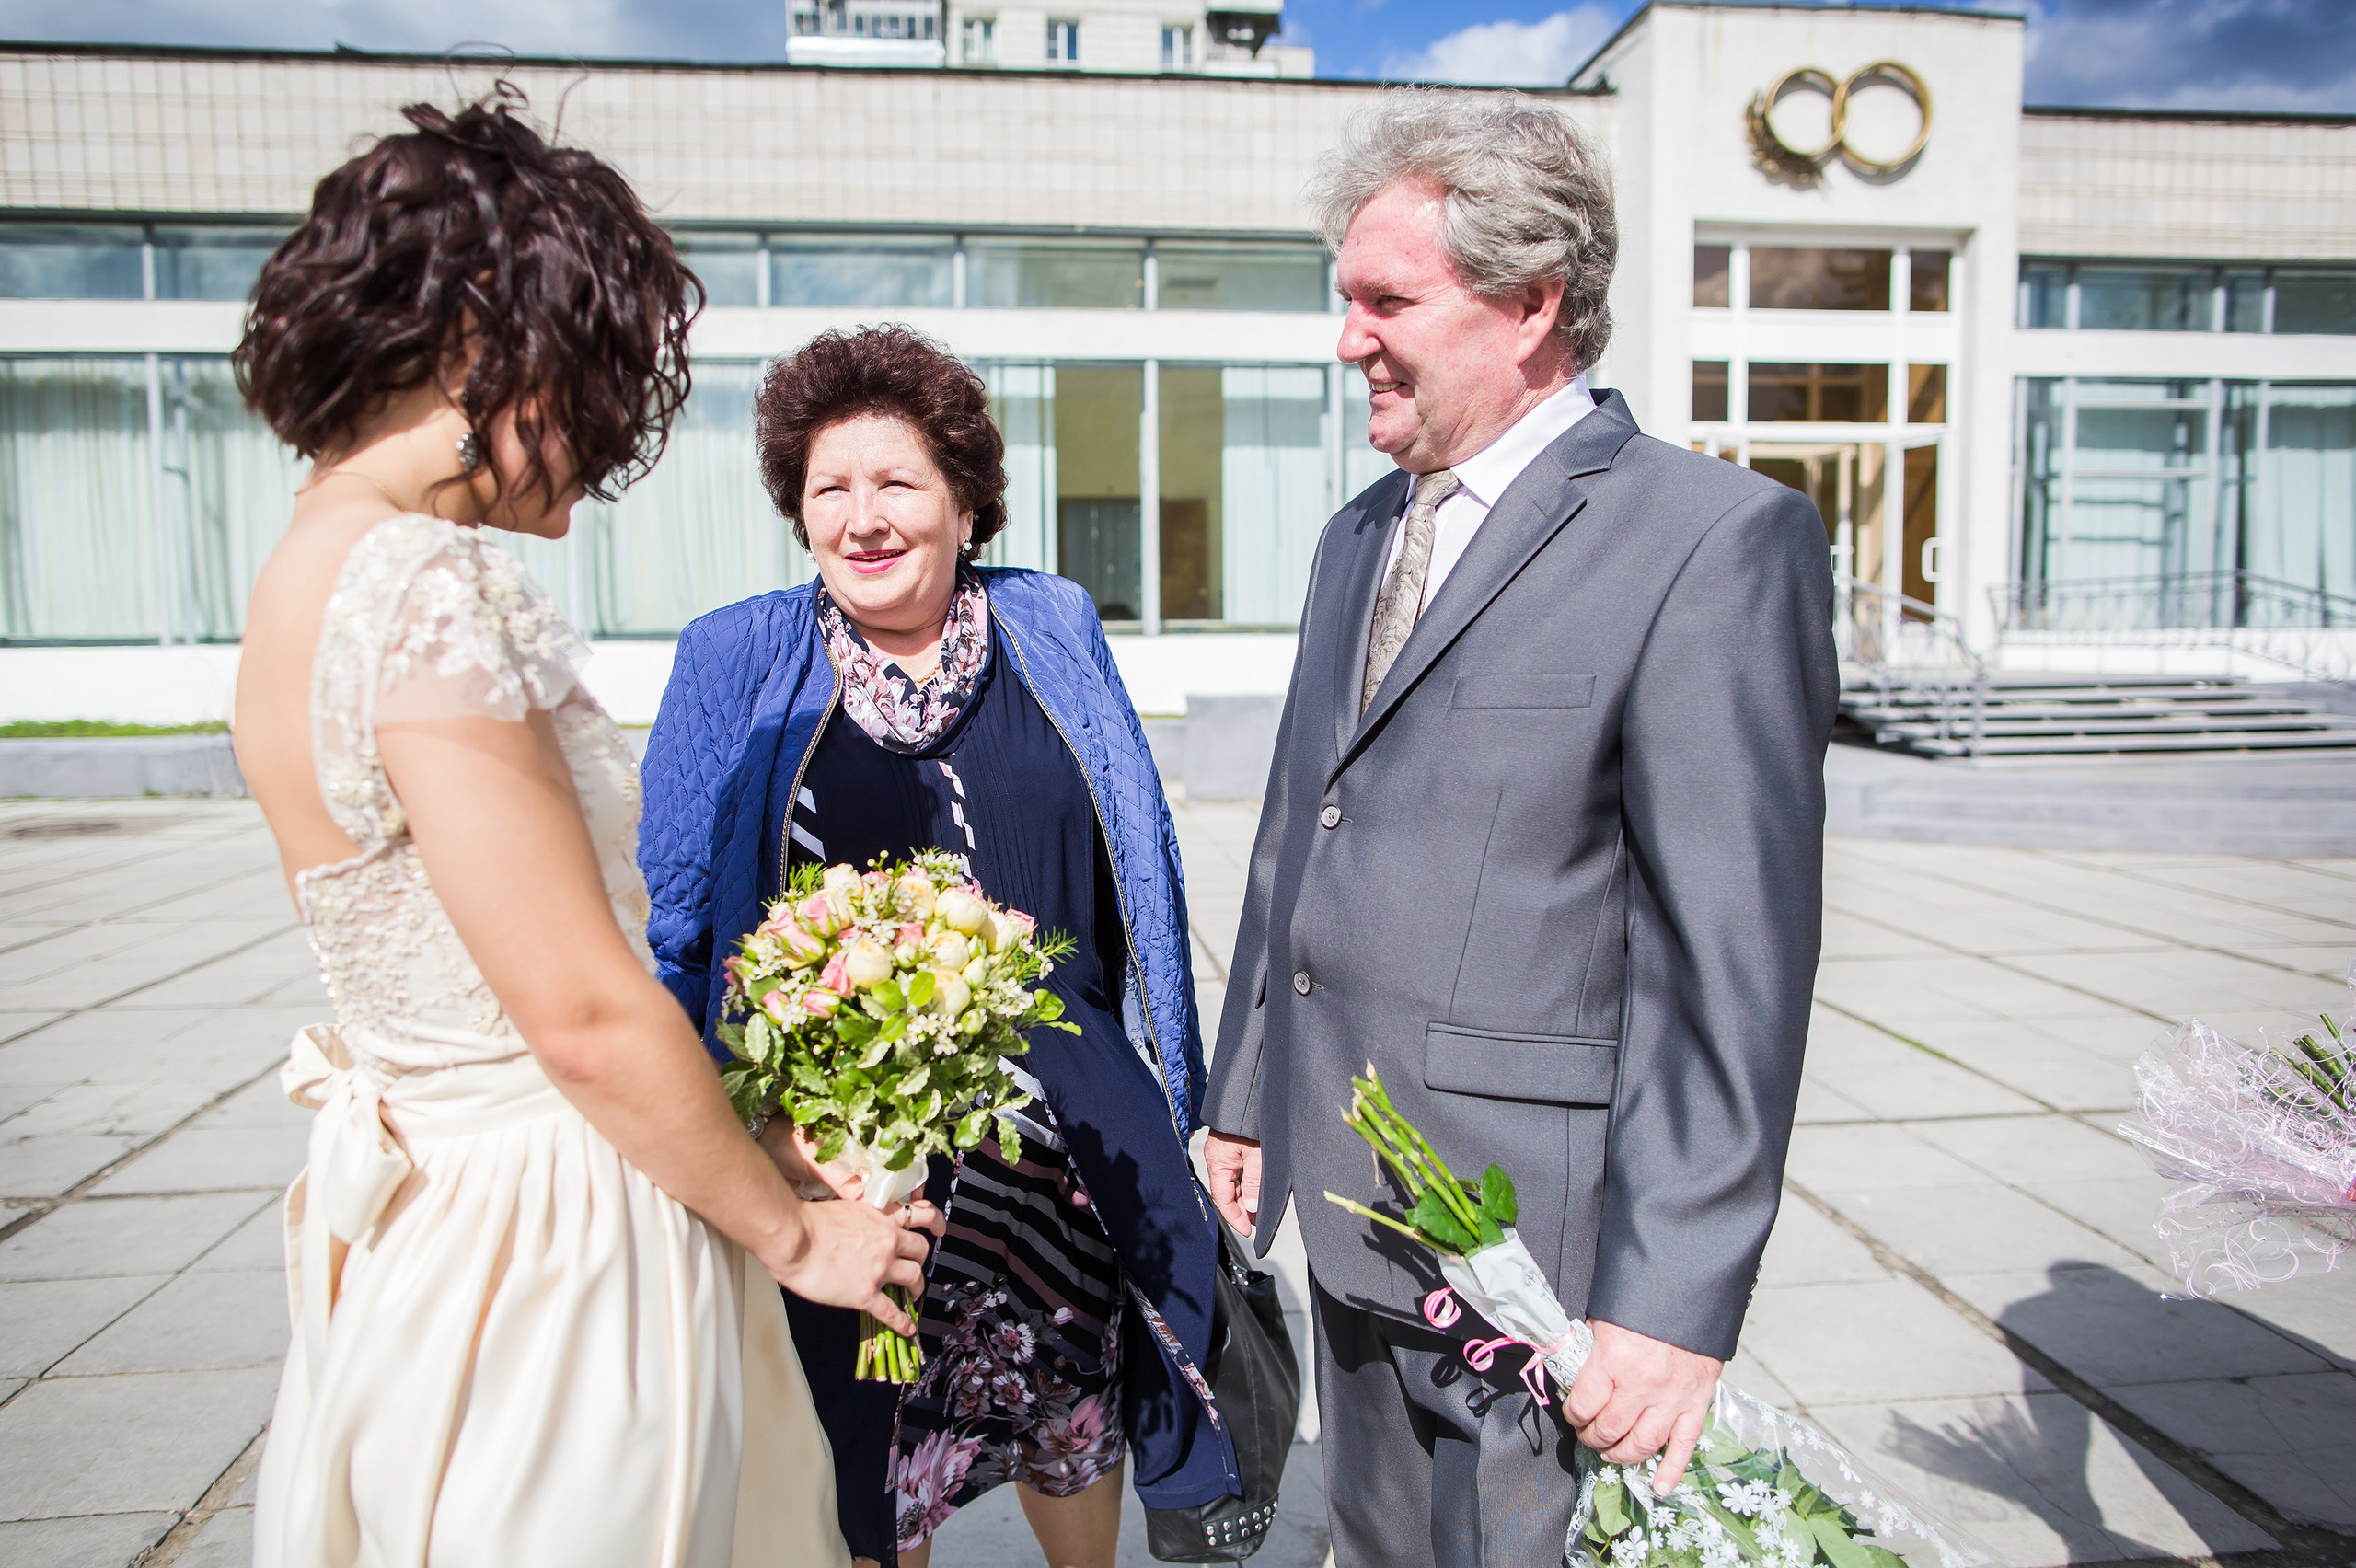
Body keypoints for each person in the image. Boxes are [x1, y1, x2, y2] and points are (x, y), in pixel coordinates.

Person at [231, 93, 938, 1568]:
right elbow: (581, 1014)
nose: (582, 490)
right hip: (550, 1229)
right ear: (489, 343)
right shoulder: (420, 579)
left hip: (424, 1198)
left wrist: (748, 1137)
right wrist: (801, 1237)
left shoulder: (301, 568)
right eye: (590, 400)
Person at [1201, 90, 1838, 1568]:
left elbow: (1731, 964)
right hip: (1347, 1207)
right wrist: (1247, 1091)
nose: (1348, 339)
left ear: (1532, 301)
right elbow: (1302, 830)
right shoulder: (1360, 534)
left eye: (1387, 302)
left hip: (1537, 1255)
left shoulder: (1710, 541)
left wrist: (1670, 1304)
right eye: (1347, 300)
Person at [638, 325, 1238, 1568]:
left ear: (966, 502)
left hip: (1060, 1147)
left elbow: (1141, 863)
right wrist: (729, 1127)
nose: (862, 517)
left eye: (896, 483)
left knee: (1069, 1407)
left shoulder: (1051, 621)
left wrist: (1183, 1090)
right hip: (852, 1155)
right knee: (873, 1447)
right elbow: (682, 913)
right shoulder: (734, 656)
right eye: (830, 489)